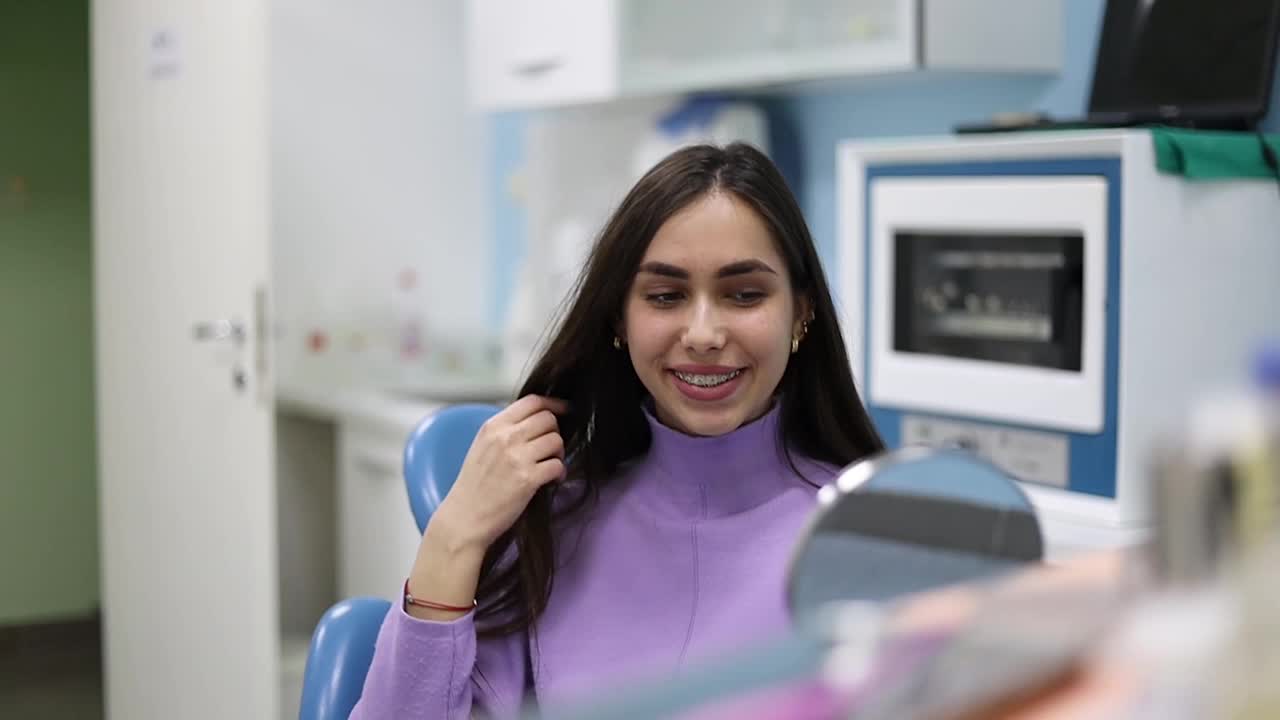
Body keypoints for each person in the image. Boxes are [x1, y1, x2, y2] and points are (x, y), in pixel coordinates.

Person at [350, 143, 885, 718]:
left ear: (800, 312)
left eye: (744, 294)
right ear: (618, 321)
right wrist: (453, 536)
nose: (703, 333)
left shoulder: (878, 547)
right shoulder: (544, 531)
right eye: (665, 296)